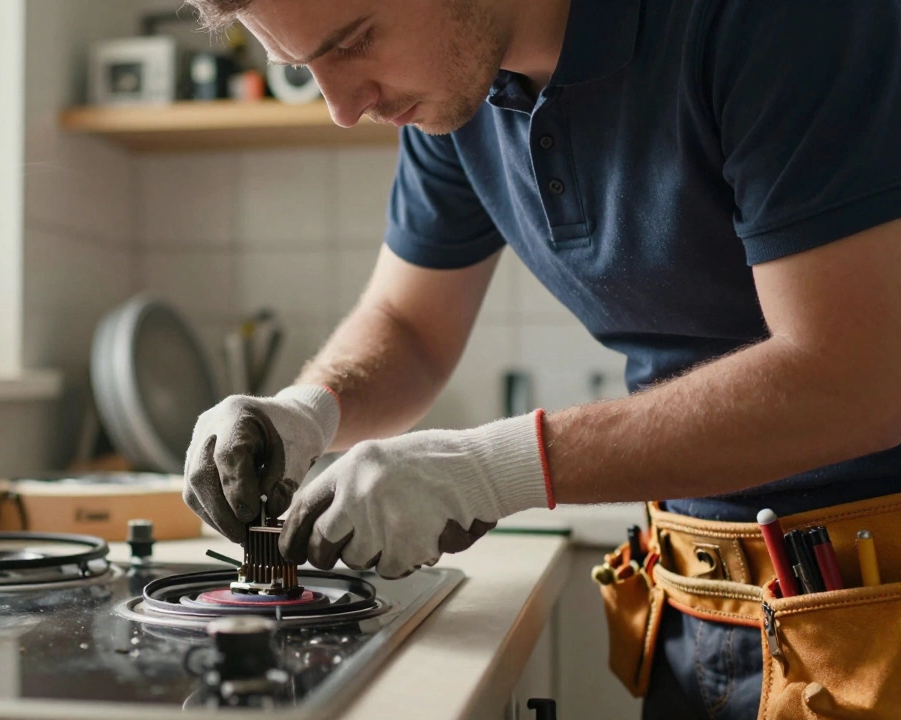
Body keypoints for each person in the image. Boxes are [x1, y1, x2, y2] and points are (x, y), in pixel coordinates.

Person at [179, 0, 901, 717]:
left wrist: (494, 469)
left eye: (356, 40)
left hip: (877, 609)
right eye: (305, 69)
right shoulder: (453, 86)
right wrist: (308, 410)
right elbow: (409, 325)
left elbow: (858, 375)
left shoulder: (778, 19)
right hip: (693, 598)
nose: (342, 105)